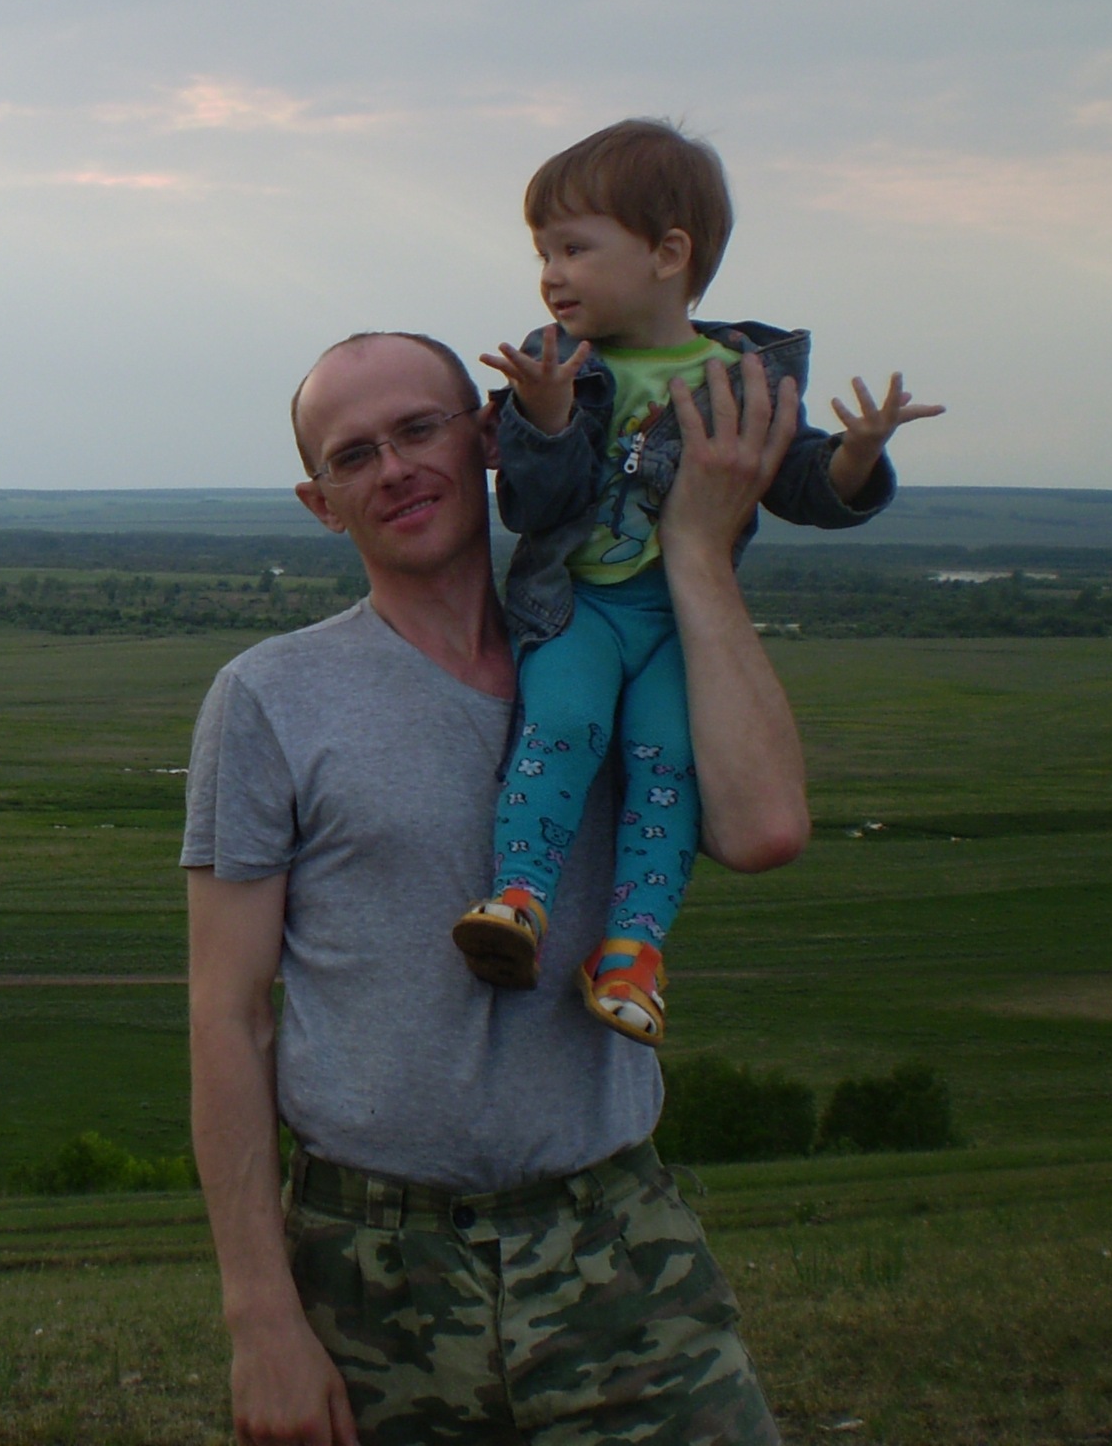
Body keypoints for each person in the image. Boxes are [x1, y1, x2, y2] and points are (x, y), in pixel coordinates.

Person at [185, 328, 810, 1445]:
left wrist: (698, 553)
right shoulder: (270, 697)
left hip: (615, 1244)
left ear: (488, 435)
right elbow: (227, 1017)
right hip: (368, 1269)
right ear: (320, 503)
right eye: (353, 455)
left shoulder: (620, 660)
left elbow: (765, 830)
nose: (394, 469)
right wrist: (259, 1315)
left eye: (418, 430)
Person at [456, 119, 940, 1042]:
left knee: (667, 766)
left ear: (668, 254)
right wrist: (543, 420)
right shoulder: (560, 368)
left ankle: (633, 953)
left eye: (574, 248)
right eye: (541, 252)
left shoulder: (744, 377)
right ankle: (518, 898)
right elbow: (534, 506)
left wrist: (856, 455)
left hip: (678, 621)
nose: (551, 274)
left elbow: (799, 485)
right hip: (579, 607)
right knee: (563, 726)